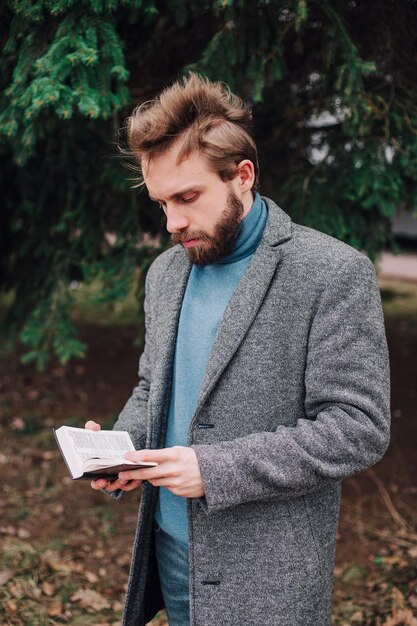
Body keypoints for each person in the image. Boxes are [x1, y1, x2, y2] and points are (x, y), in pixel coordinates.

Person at [85, 73, 390, 626]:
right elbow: (155, 384)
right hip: (170, 554)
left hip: (268, 578)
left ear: (242, 175)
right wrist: (120, 448)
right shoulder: (164, 273)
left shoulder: (332, 272)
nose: (173, 222)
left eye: (188, 197)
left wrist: (215, 468)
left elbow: (357, 427)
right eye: (161, 203)